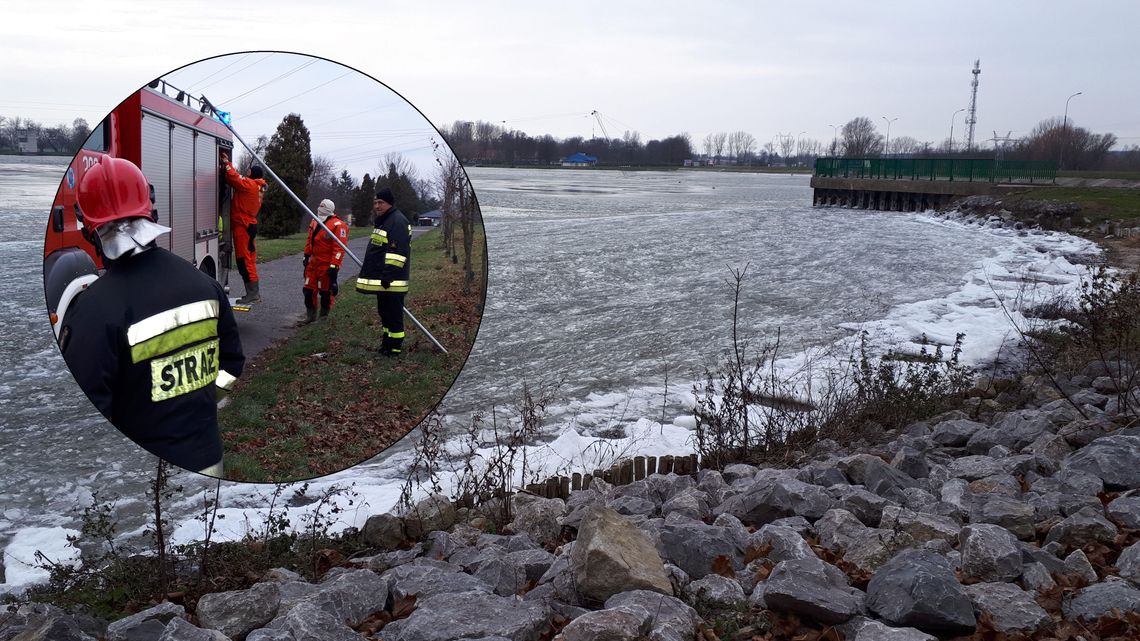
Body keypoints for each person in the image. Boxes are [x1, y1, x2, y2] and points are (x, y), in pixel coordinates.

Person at [58, 154, 245, 477]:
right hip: (208, 459)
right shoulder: (205, 284)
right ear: (152, 212)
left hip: (143, 478)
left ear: (91, 231)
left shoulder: (93, 310)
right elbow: (232, 362)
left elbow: (87, 417)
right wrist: (199, 401)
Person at [356, 188, 411, 356]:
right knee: (385, 313)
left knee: (394, 316)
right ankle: (387, 343)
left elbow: (397, 253)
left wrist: (388, 275)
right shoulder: (385, 220)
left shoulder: (397, 221)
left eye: (381, 203)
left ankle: (394, 348)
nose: (377, 206)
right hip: (384, 280)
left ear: (390, 204)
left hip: (392, 281)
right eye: (375, 202)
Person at [220, 150, 267, 304]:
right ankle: (254, 293)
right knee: (249, 260)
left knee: (244, 260)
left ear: (253, 174)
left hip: (243, 225)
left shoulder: (250, 185)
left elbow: (234, 177)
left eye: (249, 171)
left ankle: (253, 294)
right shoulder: (258, 187)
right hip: (249, 225)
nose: (246, 173)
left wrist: (226, 163)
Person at [302, 198, 350, 323]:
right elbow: (309, 240)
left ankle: (323, 317)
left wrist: (335, 265)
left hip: (326, 265)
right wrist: (306, 255)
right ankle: (310, 316)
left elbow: (339, 248)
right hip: (313, 264)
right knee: (308, 290)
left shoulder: (338, 226)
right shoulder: (314, 221)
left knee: (325, 292)